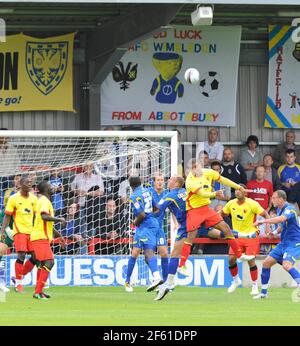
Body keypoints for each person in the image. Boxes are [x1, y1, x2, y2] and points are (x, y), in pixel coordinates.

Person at [177, 160, 255, 276]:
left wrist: (238, 187)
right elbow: (202, 194)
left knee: (225, 227)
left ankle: (239, 255)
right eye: (191, 168)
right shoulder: (190, 180)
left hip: (206, 209)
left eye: (196, 166)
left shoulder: (208, 172)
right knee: (191, 236)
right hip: (194, 210)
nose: (194, 169)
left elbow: (223, 180)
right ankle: (181, 265)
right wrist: (214, 194)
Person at [222, 186, 270, 295]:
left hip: (250, 236)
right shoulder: (230, 203)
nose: (238, 192)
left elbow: (265, 214)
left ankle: (254, 286)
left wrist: (267, 225)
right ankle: (236, 280)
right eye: (236, 190)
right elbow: (222, 214)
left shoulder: (252, 204)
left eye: (240, 190)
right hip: (237, 236)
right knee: (231, 259)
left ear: (245, 193)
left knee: (250, 261)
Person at [253, 190, 300, 299]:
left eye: (274, 198)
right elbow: (282, 225)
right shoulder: (280, 209)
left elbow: (282, 219)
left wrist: (263, 222)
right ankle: (264, 293)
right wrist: (274, 233)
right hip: (283, 243)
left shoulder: (290, 209)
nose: (272, 200)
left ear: (281, 199)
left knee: (286, 265)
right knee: (266, 263)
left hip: (294, 243)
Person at [125, 176, 163, 293]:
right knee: (135, 252)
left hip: (146, 226)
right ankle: (127, 281)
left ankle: (156, 277)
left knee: (148, 252)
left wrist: (134, 223)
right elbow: (157, 209)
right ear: (140, 183)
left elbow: (141, 215)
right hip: (149, 225)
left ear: (131, 186)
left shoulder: (134, 196)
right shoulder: (148, 191)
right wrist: (149, 217)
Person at [0, 175, 38, 293]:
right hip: (19, 231)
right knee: (21, 254)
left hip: (32, 232)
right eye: (27, 182)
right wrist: (2, 231)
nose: (30, 184)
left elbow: (37, 216)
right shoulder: (14, 198)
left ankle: (18, 278)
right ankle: (19, 284)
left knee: (36, 256)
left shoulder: (34, 199)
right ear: (21, 184)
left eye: (31, 182)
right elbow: (7, 215)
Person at [30, 181, 66, 300]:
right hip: (40, 237)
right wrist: (59, 219)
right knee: (50, 262)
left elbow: (47, 223)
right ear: (45, 189)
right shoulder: (44, 201)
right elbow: (44, 217)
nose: (53, 187)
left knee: (43, 263)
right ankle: (38, 292)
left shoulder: (44, 201)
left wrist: (59, 235)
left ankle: (39, 291)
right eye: (50, 186)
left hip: (41, 236)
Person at [154, 176, 187, 300]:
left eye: (171, 180)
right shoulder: (185, 191)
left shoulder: (170, 195)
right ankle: (244, 234)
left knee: (174, 254)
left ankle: (170, 282)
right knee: (215, 232)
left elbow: (157, 209)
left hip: (186, 224)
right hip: (195, 218)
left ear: (176, 183)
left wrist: (143, 214)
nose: (168, 181)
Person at [147, 172, 169, 282]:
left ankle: (165, 281)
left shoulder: (167, 193)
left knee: (164, 253)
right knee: (148, 253)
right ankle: (155, 276)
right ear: (154, 182)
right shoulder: (149, 193)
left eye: (161, 180)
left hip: (159, 228)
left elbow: (172, 207)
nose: (160, 182)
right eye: (158, 180)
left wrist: (175, 220)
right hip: (148, 228)